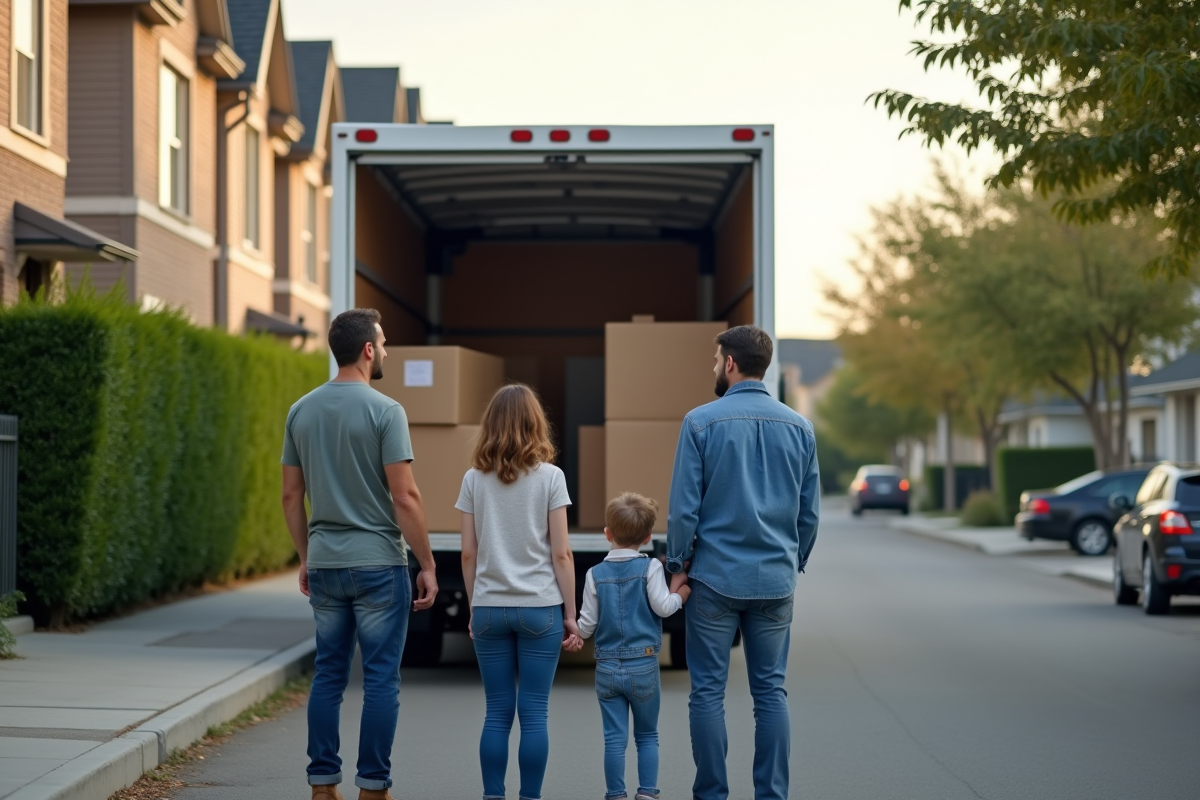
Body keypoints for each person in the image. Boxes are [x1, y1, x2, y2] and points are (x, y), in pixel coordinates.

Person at [281, 308, 439, 800]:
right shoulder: (385, 411)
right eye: (384, 342)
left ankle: (322, 786)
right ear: (368, 349)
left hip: (326, 562)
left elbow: (290, 496)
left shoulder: (300, 410)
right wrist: (428, 564)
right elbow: (405, 496)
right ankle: (372, 788)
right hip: (378, 565)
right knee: (379, 681)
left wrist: (306, 556)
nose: (387, 350)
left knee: (328, 676)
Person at [665, 324, 820, 800]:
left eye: (716, 360)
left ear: (730, 363)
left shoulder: (699, 422)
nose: (715, 367)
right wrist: (792, 564)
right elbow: (808, 514)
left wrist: (677, 565)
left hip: (713, 580)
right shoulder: (800, 427)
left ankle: (712, 794)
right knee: (771, 694)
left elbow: (683, 509)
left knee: (707, 693)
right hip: (775, 581)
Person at [457, 384, 584, 800]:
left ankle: (493, 796)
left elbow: (468, 554)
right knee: (534, 714)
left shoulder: (473, 479)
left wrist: (475, 608)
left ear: (489, 426)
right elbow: (562, 553)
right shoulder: (551, 477)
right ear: (536, 423)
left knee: (496, 713)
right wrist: (571, 612)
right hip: (540, 608)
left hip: (490, 607)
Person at [578, 493, 691, 800]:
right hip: (643, 665)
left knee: (614, 739)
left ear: (607, 533)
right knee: (647, 735)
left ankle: (616, 794)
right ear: (647, 537)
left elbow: (587, 624)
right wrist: (681, 593)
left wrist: (574, 634)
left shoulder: (594, 575)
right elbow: (664, 607)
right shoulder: (652, 567)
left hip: (607, 667)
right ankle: (647, 794)